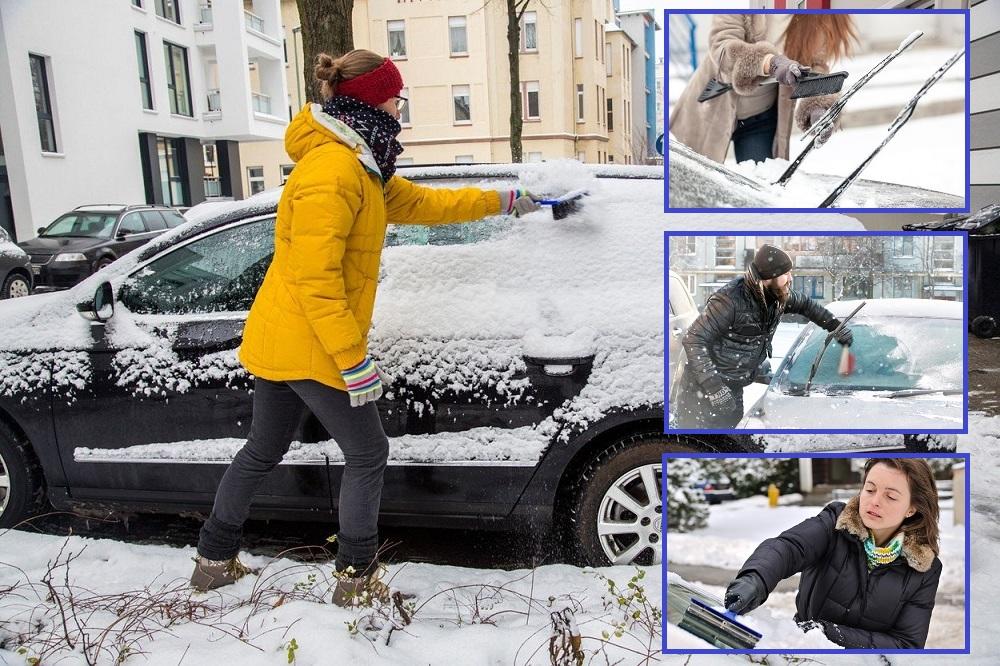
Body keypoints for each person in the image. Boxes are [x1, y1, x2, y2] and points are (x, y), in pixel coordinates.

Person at [190, 49, 539, 601]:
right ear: (376, 98)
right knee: (368, 453)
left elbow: (424, 203)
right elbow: (315, 280)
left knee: (262, 449)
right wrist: (352, 359)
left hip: (290, 336)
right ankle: (355, 579)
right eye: (398, 97)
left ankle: (212, 562)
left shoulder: (360, 163)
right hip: (312, 341)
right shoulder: (332, 170)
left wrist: (505, 199)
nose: (402, 108)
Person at [724, 458, 943, 649]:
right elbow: (789, 548)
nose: (875, 501)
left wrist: (827, 633)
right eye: (870, 489)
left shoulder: (925, 569)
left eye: (891, 497)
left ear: (911, 508)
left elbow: (906, 645)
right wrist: (756, 578)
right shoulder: (835, 522)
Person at [673, 244, 853, 429]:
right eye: (785, 274)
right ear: (769, 276)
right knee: (694, 444)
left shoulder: (778, 296)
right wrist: (715, 389)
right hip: (701, 389)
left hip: (733, 386)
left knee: (726, 441)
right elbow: (693, 338)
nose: (790, 278)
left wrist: (835, 326)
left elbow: (807, 305)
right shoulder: (730, 300)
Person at [670, 14, 857, 164]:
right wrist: (770, 63)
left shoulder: (816, 13)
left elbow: (816, 65)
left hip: (761, 117)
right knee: (696, 188)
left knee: (759, 185)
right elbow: (722, 48)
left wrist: (818, 106)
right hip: (710, 107)